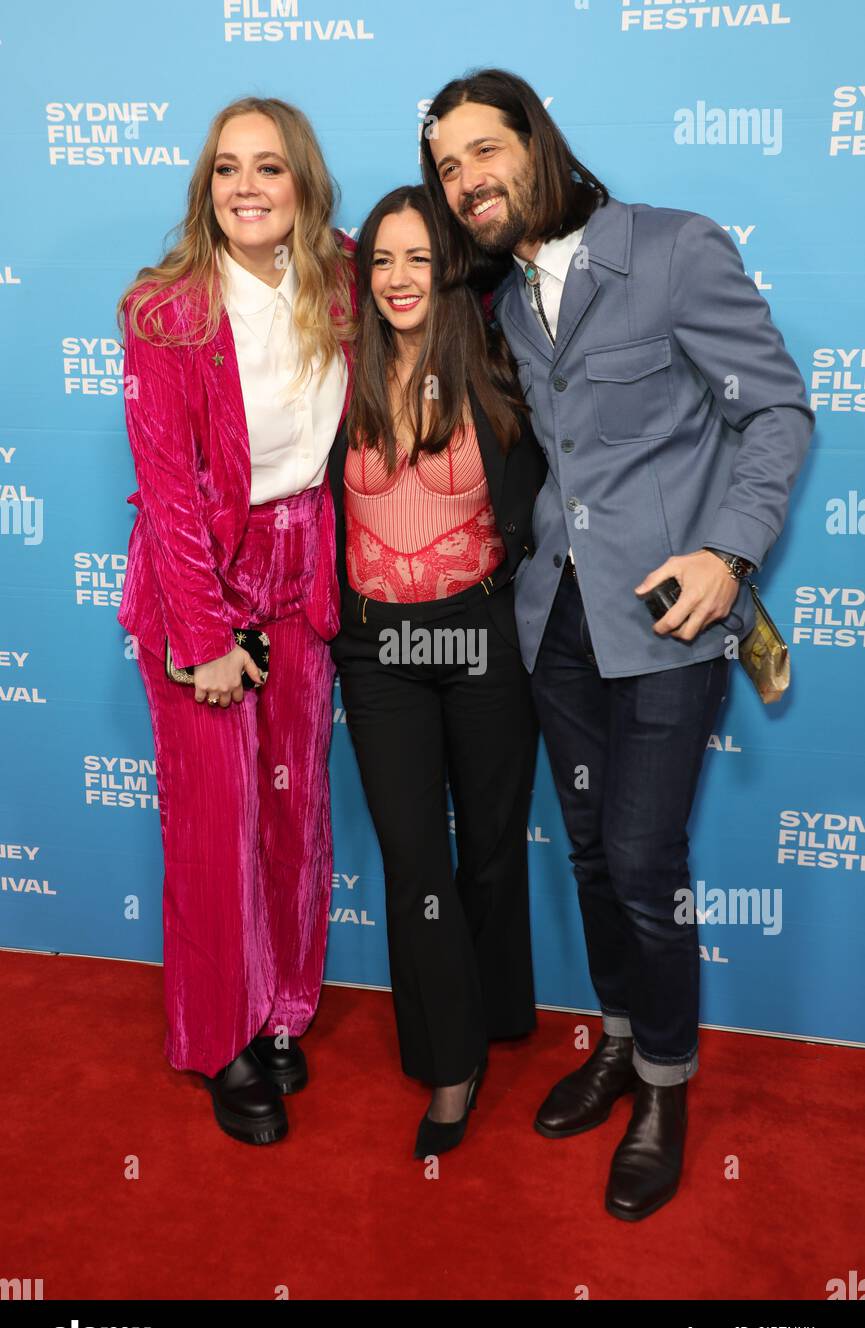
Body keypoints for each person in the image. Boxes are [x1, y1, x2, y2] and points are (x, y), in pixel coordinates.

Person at [422, 68, 814, 1216]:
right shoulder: (500, 305)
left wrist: (726, 555)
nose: (466, 180)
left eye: (484, 150)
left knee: (645, 863)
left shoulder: (675, 249)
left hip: (666, 623)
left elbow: (776, 410)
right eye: (448, 167)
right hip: (558, 622)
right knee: (592, 855)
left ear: (538, 144)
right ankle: (620, 1037)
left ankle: (663, 1085)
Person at [117, 96, 356, 1146]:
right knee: (216, 823)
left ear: (303, 180)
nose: (246, 188)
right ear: (204, 188)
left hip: (307, 572)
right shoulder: (164, 310)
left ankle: (282, 1009)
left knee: (292, 812)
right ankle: (221, 1036)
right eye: (226, 169)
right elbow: (166, 484)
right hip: (202, 576)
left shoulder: (346, 277)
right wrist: (202, 637)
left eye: (268, 167)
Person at [327, 185, 547, 1158]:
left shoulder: (498, 356)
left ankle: (497, 1008)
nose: (399, 278)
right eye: (381, 259)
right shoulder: (339, 367)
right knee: (416, 859)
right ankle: (450, 1061)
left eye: (420, 257)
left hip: (478, 633)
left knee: (492, 847)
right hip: (382, 647)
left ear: (451, 267)